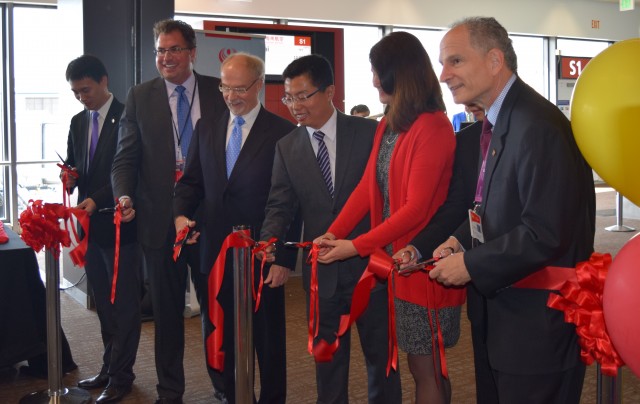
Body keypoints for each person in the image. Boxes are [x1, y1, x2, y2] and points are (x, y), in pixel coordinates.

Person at [430, 17, 595, 404]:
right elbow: (495, 204)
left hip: (538, 328)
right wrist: (459, 240)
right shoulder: (503, 119)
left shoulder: (537, 125)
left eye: (455, 61)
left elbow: (545, 233)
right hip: (506, 321)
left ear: (493, 60)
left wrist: (471, 265)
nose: (443, 75)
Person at [314, 31, 464, 404]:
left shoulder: (433, 126)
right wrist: (333, 233)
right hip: (399, 266)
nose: (374, 80)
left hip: (425, 266)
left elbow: (414, 207)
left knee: (426, 368)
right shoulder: (390, 123)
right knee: (421, 366)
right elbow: (368, 189)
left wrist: (354, 246)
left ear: (399, 72)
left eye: (377, 71)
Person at [260, 54, 401, 404]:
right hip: (321, 273)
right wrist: (270, 246)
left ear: (331, 92)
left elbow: (391, 197)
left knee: (382, 362)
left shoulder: (372, 133)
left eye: (304, 95)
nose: (295, 106)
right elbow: (281, 205)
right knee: (328, 362)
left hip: (373, 268)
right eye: (289, 97)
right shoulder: (287, 147)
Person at [111, 19, 226, 404]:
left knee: (216, 310)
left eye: (174, 49)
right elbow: (125, 158)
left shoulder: (217, 91)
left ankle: (224, 386)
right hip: (159, 222)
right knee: (167, 315)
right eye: (160, 50)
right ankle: (170, 392)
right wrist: (124, 196)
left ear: (192, 53)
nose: (166, 58)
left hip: (210, 219)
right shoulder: (140, 96)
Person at [173, 52, 297, 404]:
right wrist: (181, 214)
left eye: (240, 88)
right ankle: (231, 395)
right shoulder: (207, 126)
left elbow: (291, 202)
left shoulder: (284, 133)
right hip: (215, 252)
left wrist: (283, 256)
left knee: (268, 340)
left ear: (259, 85)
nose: (231, 96)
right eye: (225, 88)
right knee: (222, 334)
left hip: (263, 255)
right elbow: (190, 183)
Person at [394, 103, 498, 404]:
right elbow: (461, 206)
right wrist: (423, 246)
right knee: (486, 372)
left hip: (520, 279)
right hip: (476, 275)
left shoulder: (529, 130)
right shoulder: (466, 139)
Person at [62, 54, 141, 403]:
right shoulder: (78, 122)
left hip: (120, 223)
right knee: (103, 306)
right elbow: (76, 164)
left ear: (104, 81)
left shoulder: (128, 116)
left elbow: (128, 171)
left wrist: (95, 198)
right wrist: (70, 176)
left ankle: (122, 377)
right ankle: (110, 367)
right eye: (76, 92)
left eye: (86, 89)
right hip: (90, 228)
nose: (82, 97)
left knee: (123, 303)